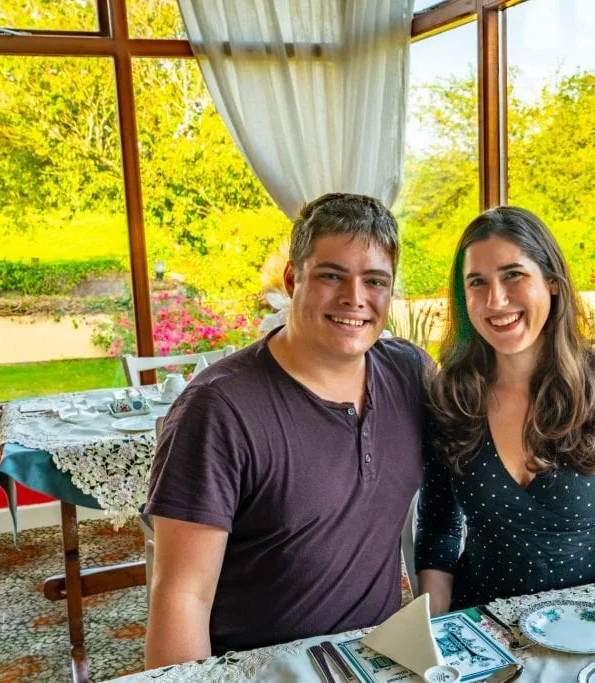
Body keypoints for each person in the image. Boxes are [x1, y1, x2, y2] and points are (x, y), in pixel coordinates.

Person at [143, 193, 430, 667]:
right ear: (294, 279)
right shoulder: (219, 409)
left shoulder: (409, 373)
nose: (354, 298)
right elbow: (181, 597)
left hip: (375, 660)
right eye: (331, 275)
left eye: (374, 281)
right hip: (259, 669)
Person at [414, 206, 595, 614]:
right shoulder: (452, 397)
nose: (495, 300)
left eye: (513, 275)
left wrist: (585, 637)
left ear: (552, 282)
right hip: (476, 635)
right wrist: (437, 634)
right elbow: (439, 535)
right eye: (477, 283)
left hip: (589, 632)